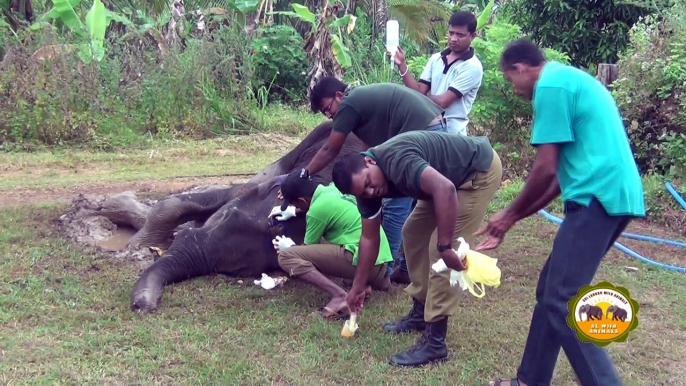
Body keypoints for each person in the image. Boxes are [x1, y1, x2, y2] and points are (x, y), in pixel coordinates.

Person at [474, 39, 645, 386]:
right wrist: (513, 218)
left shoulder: (550, 85)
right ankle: (530, 380)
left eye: (510, 80)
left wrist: (506, 215)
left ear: (521, 68)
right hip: (609, 195)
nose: (514, 88)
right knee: (550, 292)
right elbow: (556, 179)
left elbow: (545, 168)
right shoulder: (568, 79)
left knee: (563, 300)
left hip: (598, 197)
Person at [330, 130, 503, 367]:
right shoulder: (364, 186)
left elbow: (446, 190)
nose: (372, 192)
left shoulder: (397, 160)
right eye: (363, 192)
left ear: (370, 161)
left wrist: (445, 246)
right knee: (412, 233)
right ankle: (421, 312)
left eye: (369, 184)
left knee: (440, 252)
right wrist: (358, 287)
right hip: (443, 182)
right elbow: (369, 239)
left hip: (475, 173)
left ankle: (435, 343)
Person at [292, 76, 448, 284]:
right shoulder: (361, 103)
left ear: (339, 96)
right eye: (325, 113)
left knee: (394, 205)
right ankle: (406, 267)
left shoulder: (349, 103)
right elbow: (370, 149)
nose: (329, 116)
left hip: (424, 129)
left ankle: (385, 271)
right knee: (412, 203)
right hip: (433, 125)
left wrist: (305, 173)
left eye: (328, 108)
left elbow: (331, 148)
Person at [270, 170, 394, 320]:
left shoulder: (316, 211)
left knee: (286, 257)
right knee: (331, 237)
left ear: (302, 201)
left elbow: (307, 248)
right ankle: (364, 285)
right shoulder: (333, 188)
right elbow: (329, 210)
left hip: (364, 262)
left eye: (293, 203)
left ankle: (339, 296)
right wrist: (295, 211)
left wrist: (290, 247)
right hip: (380, 261)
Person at [390, 11, 483, 136]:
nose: (454, 38)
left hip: (452, 134)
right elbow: (418, 90)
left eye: (460, 35)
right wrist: (402, 64)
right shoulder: (436, 58)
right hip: (429, 128)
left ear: (472, 36)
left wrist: (411, 99)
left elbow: (444, 101)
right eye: (451, 33)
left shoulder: (472, 66)